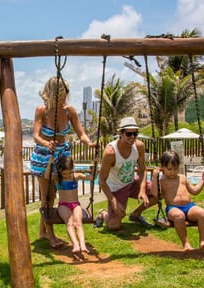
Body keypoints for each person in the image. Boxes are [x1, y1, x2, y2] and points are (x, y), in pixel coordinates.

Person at [30, 76, 95, 248]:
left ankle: (42, 232)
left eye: (65, 93)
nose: (65, 97)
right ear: (52, 94)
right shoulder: (41, 110)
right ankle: (50, 236)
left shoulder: (69, 111)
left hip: (62, 157)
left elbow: (81, 133)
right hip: (44, 157)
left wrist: (88, 142)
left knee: (60, 193)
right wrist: (46, 142)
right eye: (61, 94)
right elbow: (36, 136)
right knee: (47, 196)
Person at [95, 117, 157, 230]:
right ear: (121, 133)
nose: (132, 137)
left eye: (135, 133)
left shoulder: (139, 146)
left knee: (160, 190)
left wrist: (142, 190)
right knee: (114, 225)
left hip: (132, 183)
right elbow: (101, 180)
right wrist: (113, 201)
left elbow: (142, 170)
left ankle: (136, 214)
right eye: (129, 134)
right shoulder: (110, 152)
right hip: (116, 189)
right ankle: (102, 214)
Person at [150, 150, 204, 252]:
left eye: (175, 169)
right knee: (179, 216)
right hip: (173, 208)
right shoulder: (162, 181)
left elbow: (195, 191)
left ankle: (203, 242)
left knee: (203, 214)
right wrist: (154, 176)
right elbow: (155, 194)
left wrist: (203, 180)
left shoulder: (182, 178)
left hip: (189, 206)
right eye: (169, 169)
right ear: (162, 168)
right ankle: (186, 244)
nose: (173, 172)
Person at [53, 156, 94, 255]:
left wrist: (95, 167)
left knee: (78, 223)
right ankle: (75, 245)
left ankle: (82, 245)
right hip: (63, 205)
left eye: (69, 172)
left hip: (75, 204)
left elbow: (92, 178)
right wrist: (50, 163)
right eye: (64, 173)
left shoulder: (75, 176)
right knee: (70, 223)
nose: (67, 175)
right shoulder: (56, 177)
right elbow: (46, 175)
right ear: (59, 170)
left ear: (72, 169)